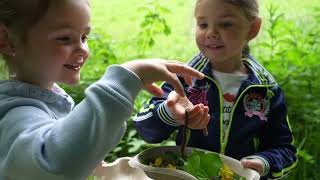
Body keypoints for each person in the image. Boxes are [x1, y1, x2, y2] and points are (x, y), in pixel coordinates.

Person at [0, 0, 205, 179]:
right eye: (64, 38)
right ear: (6, 41)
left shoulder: (48, 98)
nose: (82, 49)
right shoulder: (14, 115)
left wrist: (87, 159)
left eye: (84, 37)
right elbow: (55, 165)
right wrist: (124, 79)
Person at [134, 0, 298, 179]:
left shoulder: (266, 90)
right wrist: (169, 112)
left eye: (225, 24)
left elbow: (285, 150)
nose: (211, 33)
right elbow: (145, 129)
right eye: (203, 24)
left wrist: (264, 161)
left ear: (252, 28)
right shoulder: (185, 78)